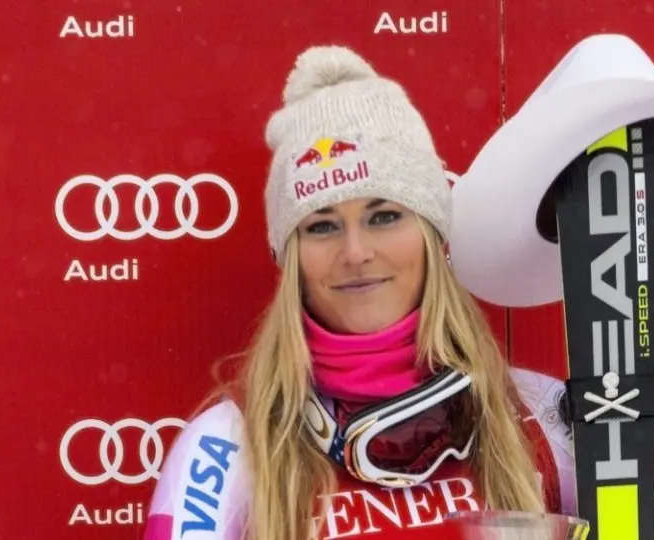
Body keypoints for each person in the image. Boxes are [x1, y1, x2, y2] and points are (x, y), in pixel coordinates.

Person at [143, 44, 575, 540]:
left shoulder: (540, 411)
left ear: (431, 237)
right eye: (322, 226)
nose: (355, 251)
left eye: (385, 217)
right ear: (293, 257)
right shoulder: (225, 445)